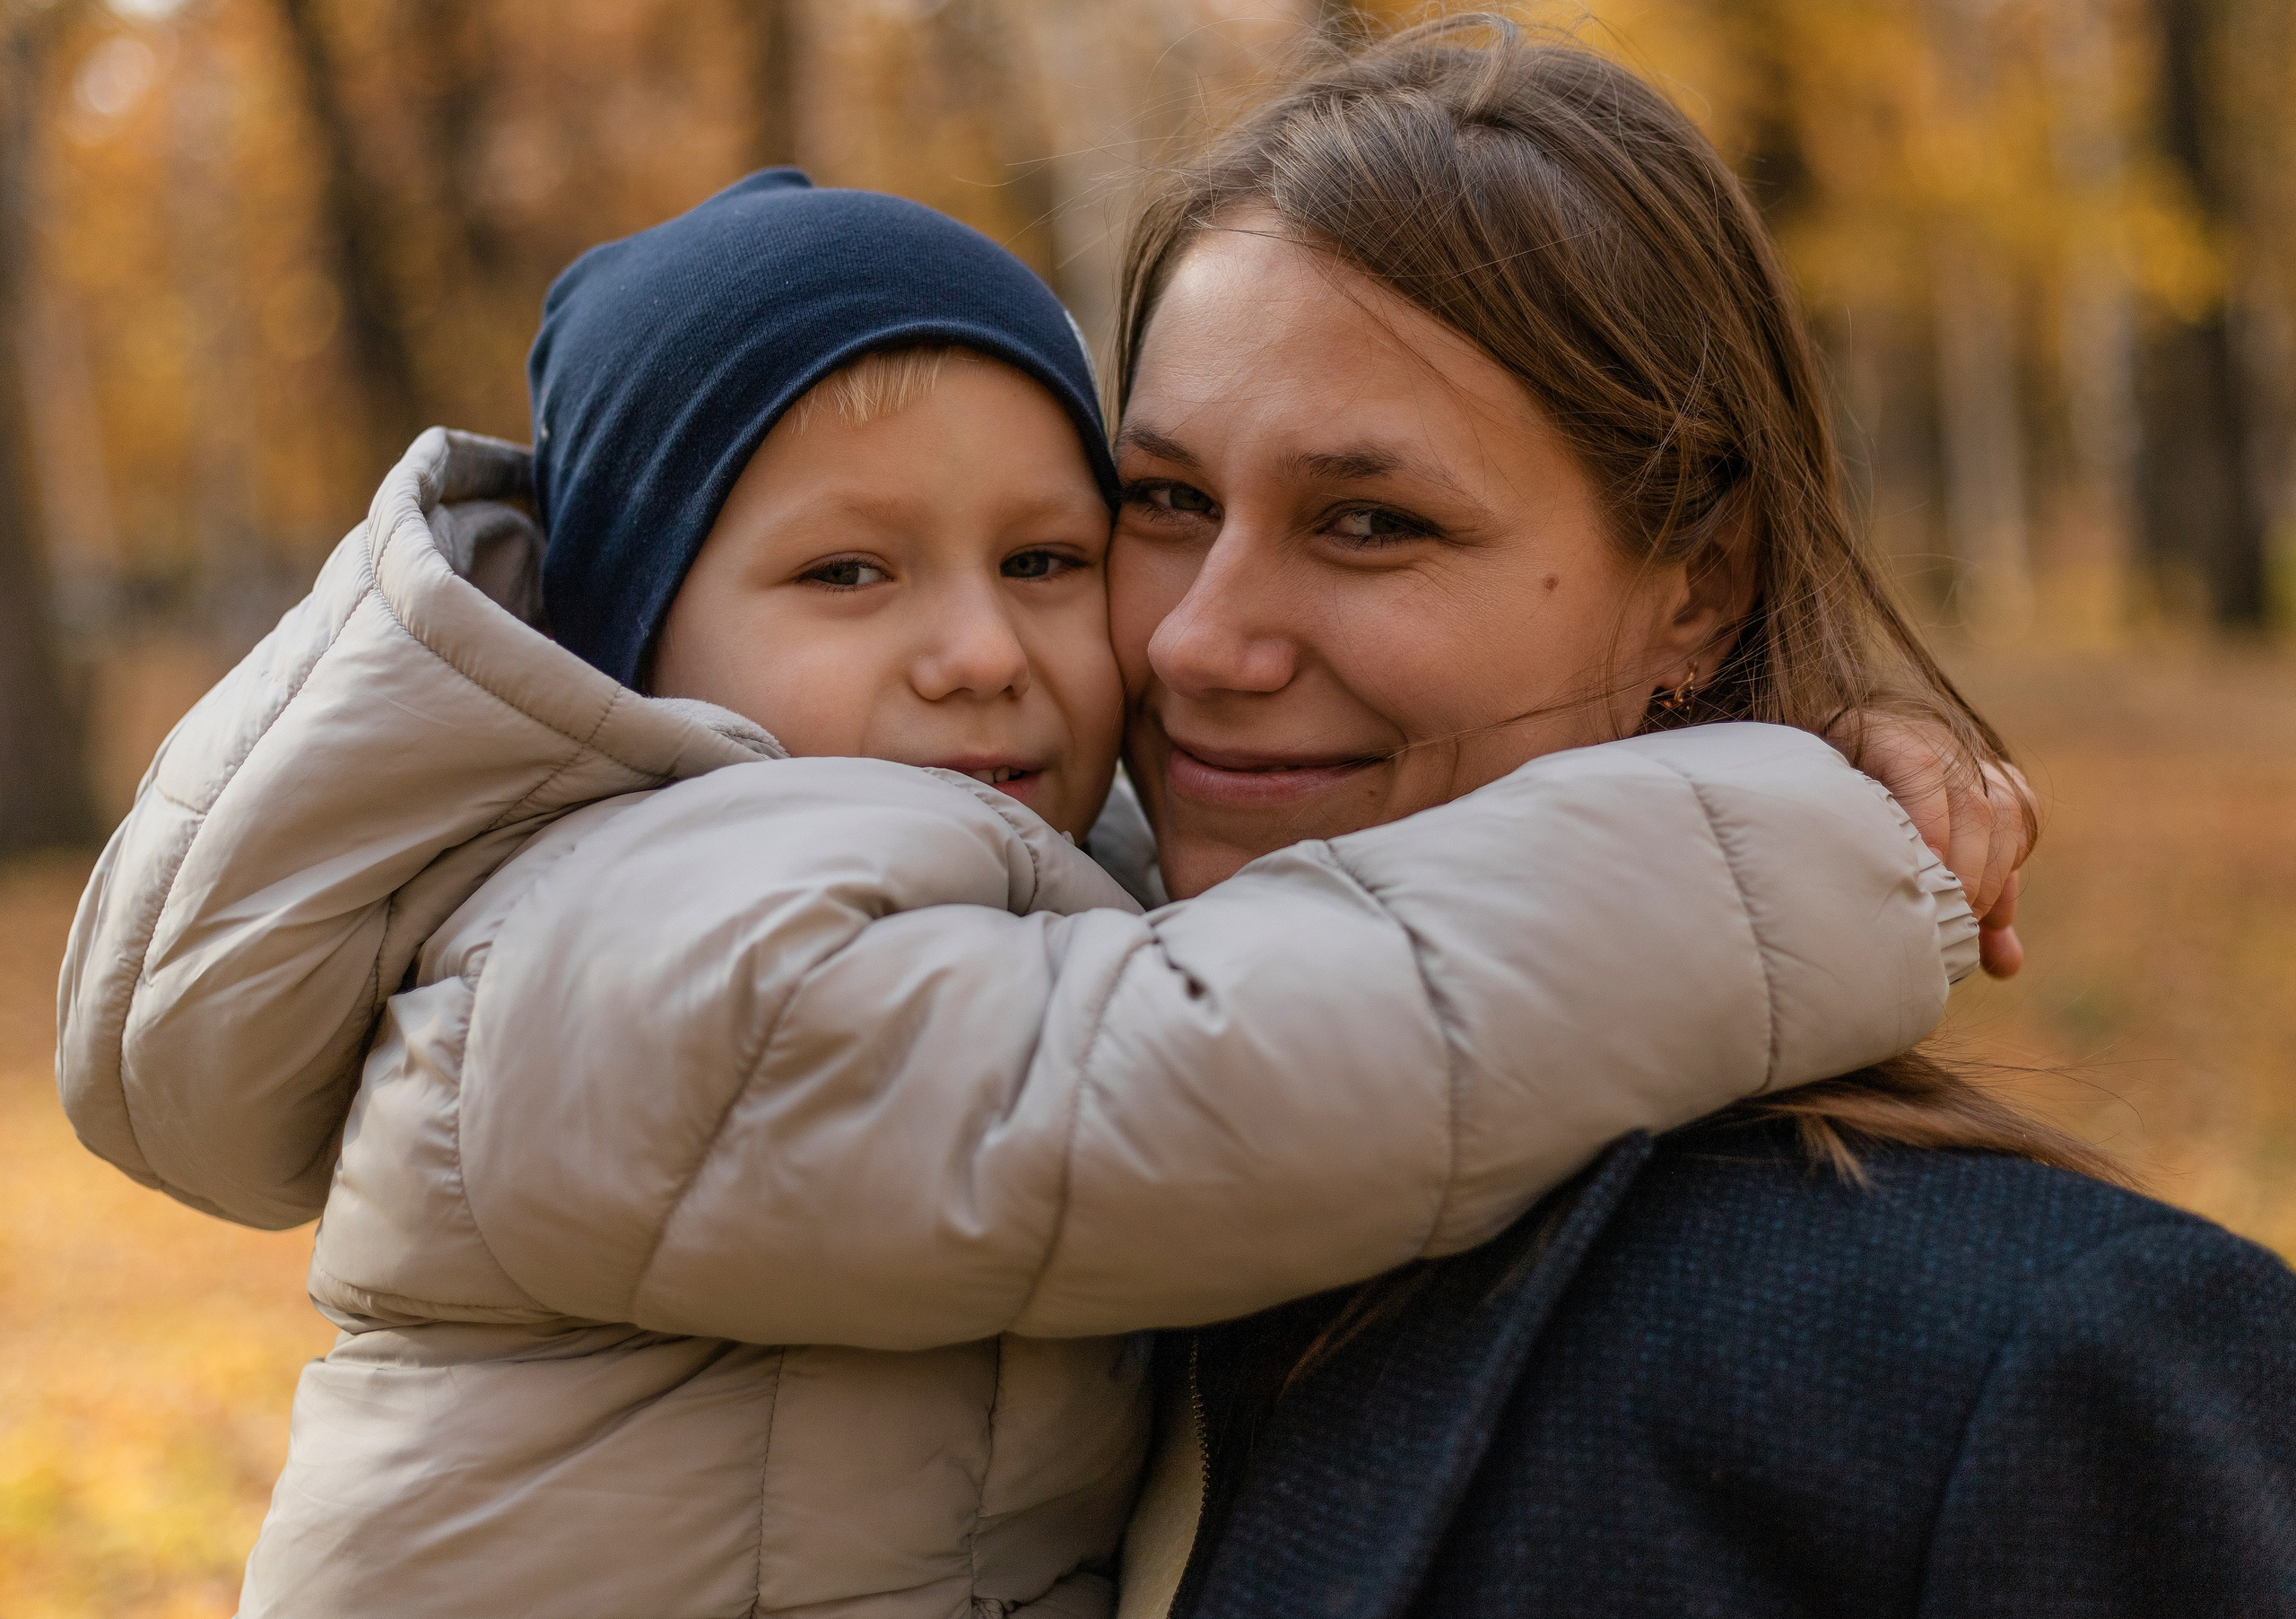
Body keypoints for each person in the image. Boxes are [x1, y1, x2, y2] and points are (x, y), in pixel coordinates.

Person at [57, 173, 1998, 1618]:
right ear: (634, 650)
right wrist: (1785, 834)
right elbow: (1202, 1073)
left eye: (1054, 558)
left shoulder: (906, 905)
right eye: (849, 575)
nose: (978, 650)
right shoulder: (623, 951)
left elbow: (1225, 930)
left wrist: (1799, 729)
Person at [1099, 18, 2296, 1615]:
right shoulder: (948, 1226)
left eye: (1370, 522)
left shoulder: (2032, 1368)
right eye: (1167, 502)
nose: (1193, 640)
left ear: (1701, 587)